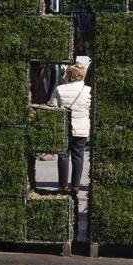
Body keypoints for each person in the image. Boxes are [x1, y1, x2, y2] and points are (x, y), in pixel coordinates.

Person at [52, 63, 92, 198]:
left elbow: (53, 106)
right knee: (78, 156)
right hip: (82, 129)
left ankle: (63, 185)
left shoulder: (59, 89)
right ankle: (75, 185)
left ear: (69, 74)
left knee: (63, 155)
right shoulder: (88, 90)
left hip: (64, 128)